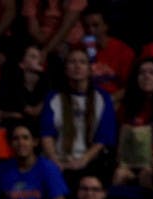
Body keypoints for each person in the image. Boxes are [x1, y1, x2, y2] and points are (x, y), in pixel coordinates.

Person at [40, 48, 117, 181]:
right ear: (65, 69)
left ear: (89, 69)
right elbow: (46, 134)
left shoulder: (103, 98)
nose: (77, 66)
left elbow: (103, 138)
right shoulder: (53, 97)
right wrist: (55, 161)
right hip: (57, 160)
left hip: (90, 161)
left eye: (82, 62)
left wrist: (83, 160)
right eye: (72, 62)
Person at [113, 57, 153, 189]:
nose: (146, 76)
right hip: (129, 162)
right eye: (142, 73)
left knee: (146, 174)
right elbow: (118, 140)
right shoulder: (125, 106)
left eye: (152, 73)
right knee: (119, 174)